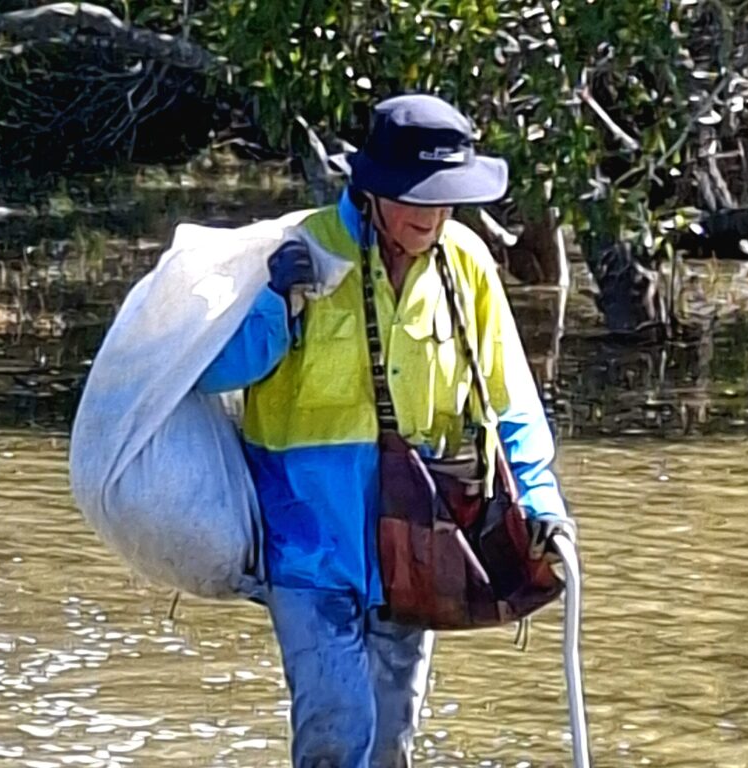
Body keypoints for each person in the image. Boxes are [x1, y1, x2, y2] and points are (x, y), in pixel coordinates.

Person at [196, 94, 574, 768]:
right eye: (414, 197)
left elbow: (511, 401)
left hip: (417, 540)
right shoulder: (302, 252)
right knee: (337, 728)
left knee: (393, 735)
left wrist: (543, 504)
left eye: (445, 199)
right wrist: (276, 306)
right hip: (307, 545)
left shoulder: (466, 265)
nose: (431, 215)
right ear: (369, 188)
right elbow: (214, 370)